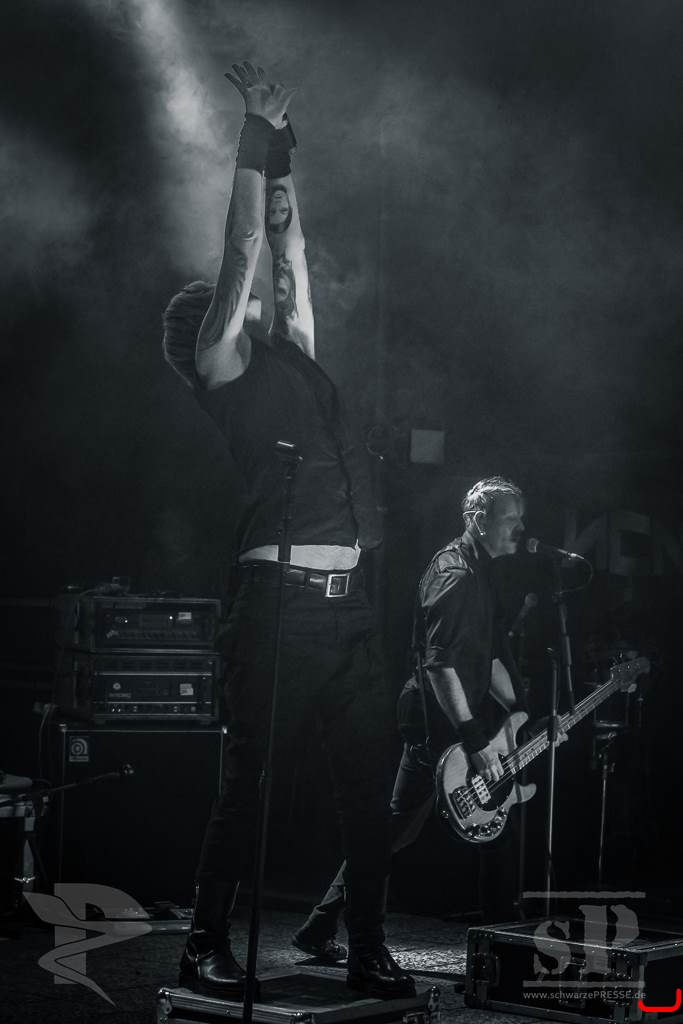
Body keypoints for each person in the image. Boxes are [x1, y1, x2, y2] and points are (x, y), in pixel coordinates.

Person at [161, 62, 414, 1001]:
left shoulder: (297, 359)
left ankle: (367, 946)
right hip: (276, 609)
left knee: (368, 785)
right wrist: (249, 138)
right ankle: (202, 943)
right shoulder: (223, 366)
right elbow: (242, 253)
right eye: (240, 303)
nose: (264, 299)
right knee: (250, 783)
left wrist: (284, 147)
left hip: (348, 613)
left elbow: (287, 251)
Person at [293, 475, 530, 952]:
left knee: (403, 831)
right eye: (510, 519)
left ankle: (320, 925)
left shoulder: (482, 571)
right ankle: (500, 946)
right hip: (435, 720)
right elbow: (438, 665)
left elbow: (485, 658)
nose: (520, 529)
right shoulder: (455, 575)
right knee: (401, 831)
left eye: (520, 520)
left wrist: (521, 710)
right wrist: (473, 738)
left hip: (454, 720)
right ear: (478, 520)